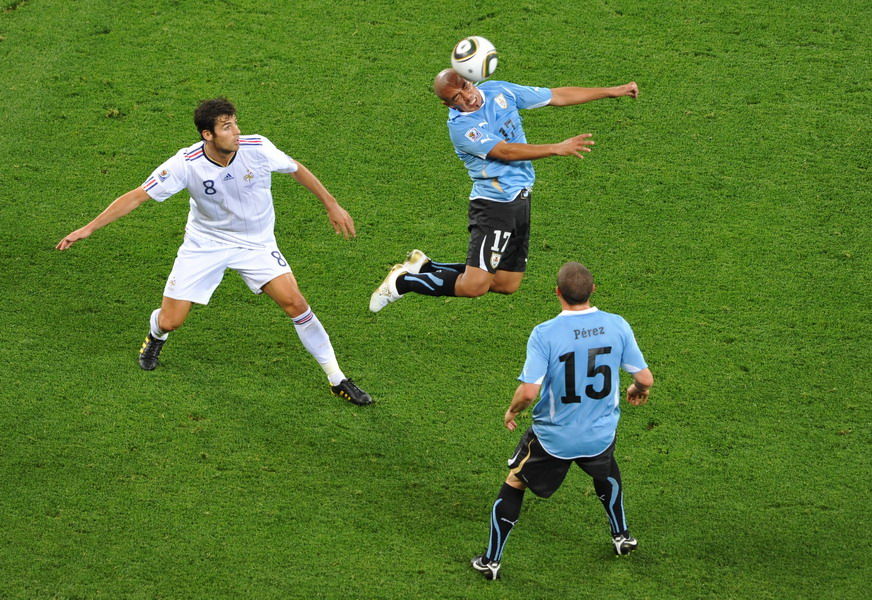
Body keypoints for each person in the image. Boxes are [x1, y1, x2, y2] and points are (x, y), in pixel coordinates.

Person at [56, 97, 372, 406]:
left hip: (256, 244)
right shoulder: (186, 164)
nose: (236, 132)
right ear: (207, 134)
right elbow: (138, 196)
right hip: (205, 245)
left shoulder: (257, 148)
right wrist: (88, 228)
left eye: (235, 124)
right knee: (171, 321)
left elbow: (295, 169)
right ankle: (156, 335)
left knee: (296, 304)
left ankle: (337, 379)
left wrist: (331, 204)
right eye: (227, 127)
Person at [369, 70, 638, 312]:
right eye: (457, 98)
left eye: (466, 87)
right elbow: (505, 151)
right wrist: (556, 148)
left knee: (506, 283)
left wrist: (611, 91)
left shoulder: (499, 90)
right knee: (474, 286)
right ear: (448, 105)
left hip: (520, 198)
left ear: (471, 80)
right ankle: (402, 282)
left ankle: (425, 267)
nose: (467, 97)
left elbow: (555, 95)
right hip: (494, 205)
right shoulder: (462, 128)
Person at [470, 262, 653, 580]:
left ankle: (491, 561)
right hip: (599, 434)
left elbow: (529, 392)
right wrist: (638, 389)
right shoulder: (617, 325)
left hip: (554, 439)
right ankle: (622, 536)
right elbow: (645, 378)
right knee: (606, 470)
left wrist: (513, 411)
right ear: (593, 290)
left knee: (515, 482)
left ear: (557, 292)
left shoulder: (545, 333)